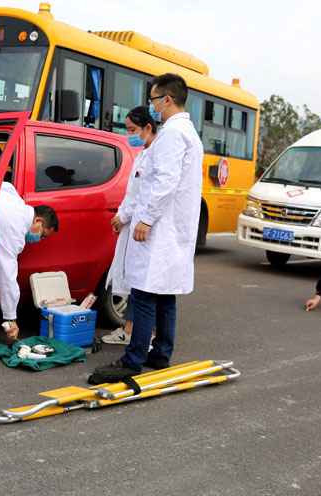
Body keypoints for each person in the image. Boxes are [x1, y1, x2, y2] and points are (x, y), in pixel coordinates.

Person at [92, 73, 204, 382]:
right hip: (174, 229)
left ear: (167, 99)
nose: (151, 106)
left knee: (143, 294)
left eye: (153, 99)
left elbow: (164, 181)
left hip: (160, 229)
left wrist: (145, 219)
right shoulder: (189, 134)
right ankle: (160, 353)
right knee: (165, 294)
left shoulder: (170, 134)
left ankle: (133, 359)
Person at [0, 185, 59, 351]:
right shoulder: (14, 229)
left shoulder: (13, 197)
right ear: (38, 221)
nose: (38, 239)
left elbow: (2, 185)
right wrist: (11, 318)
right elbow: (6, 277)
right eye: (42, 235)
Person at [102, 106, 158, 346]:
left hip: (144, 228)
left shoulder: (156, 155)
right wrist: (120, 216)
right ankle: (128, 329)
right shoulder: (142, 154)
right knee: (134, 282)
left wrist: (122, 216)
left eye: (132, 130)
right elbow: (130, 192)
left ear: (148, 127)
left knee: (145, 285)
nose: (129, 135)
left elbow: (144, 195)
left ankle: (148, 336)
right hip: (132, 223)